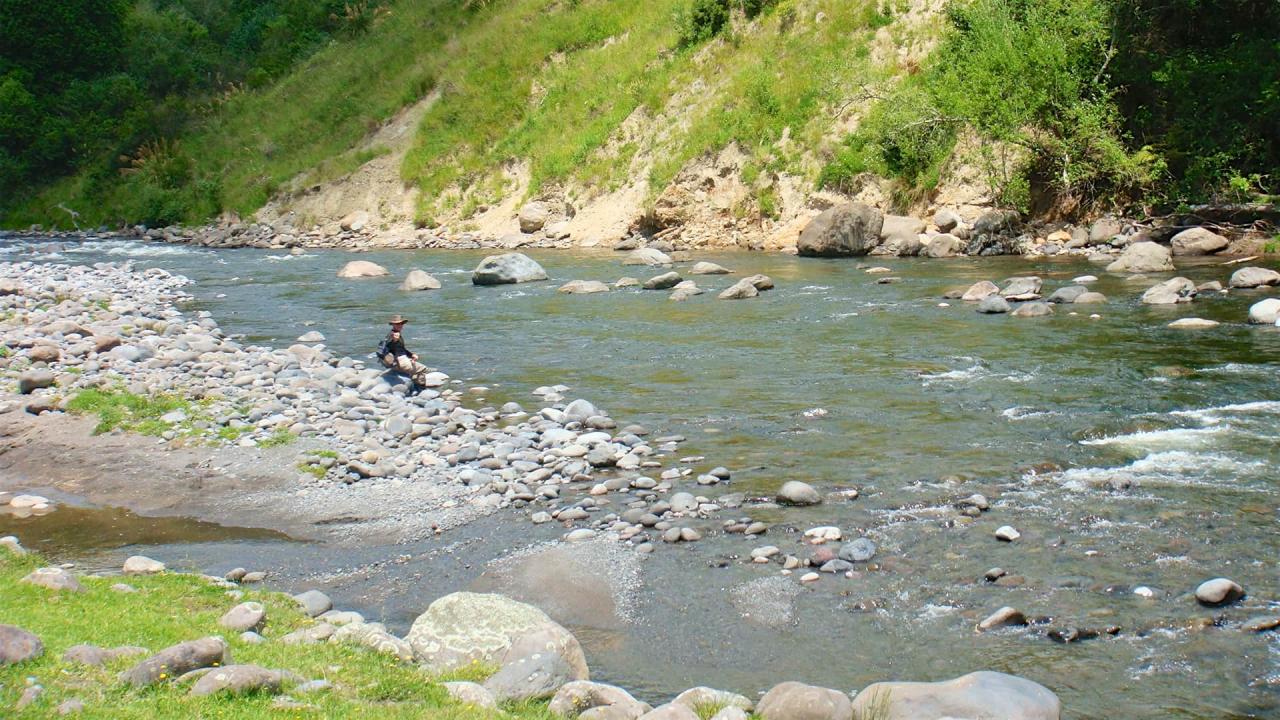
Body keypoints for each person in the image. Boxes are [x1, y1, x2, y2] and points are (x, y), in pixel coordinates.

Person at [377, 314, 429, 389]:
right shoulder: (393, 335)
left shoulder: (394, 333)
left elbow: (401, 349)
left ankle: (411, 383)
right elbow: (391, 345)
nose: (400, 325)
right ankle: (420, 388)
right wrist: (394, 340)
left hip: (395, 361)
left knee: (414, 366)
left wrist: (411, 355)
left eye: (401, 323)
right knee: (424, 369)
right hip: (398, 361)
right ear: (393, 324)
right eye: (397, 324)